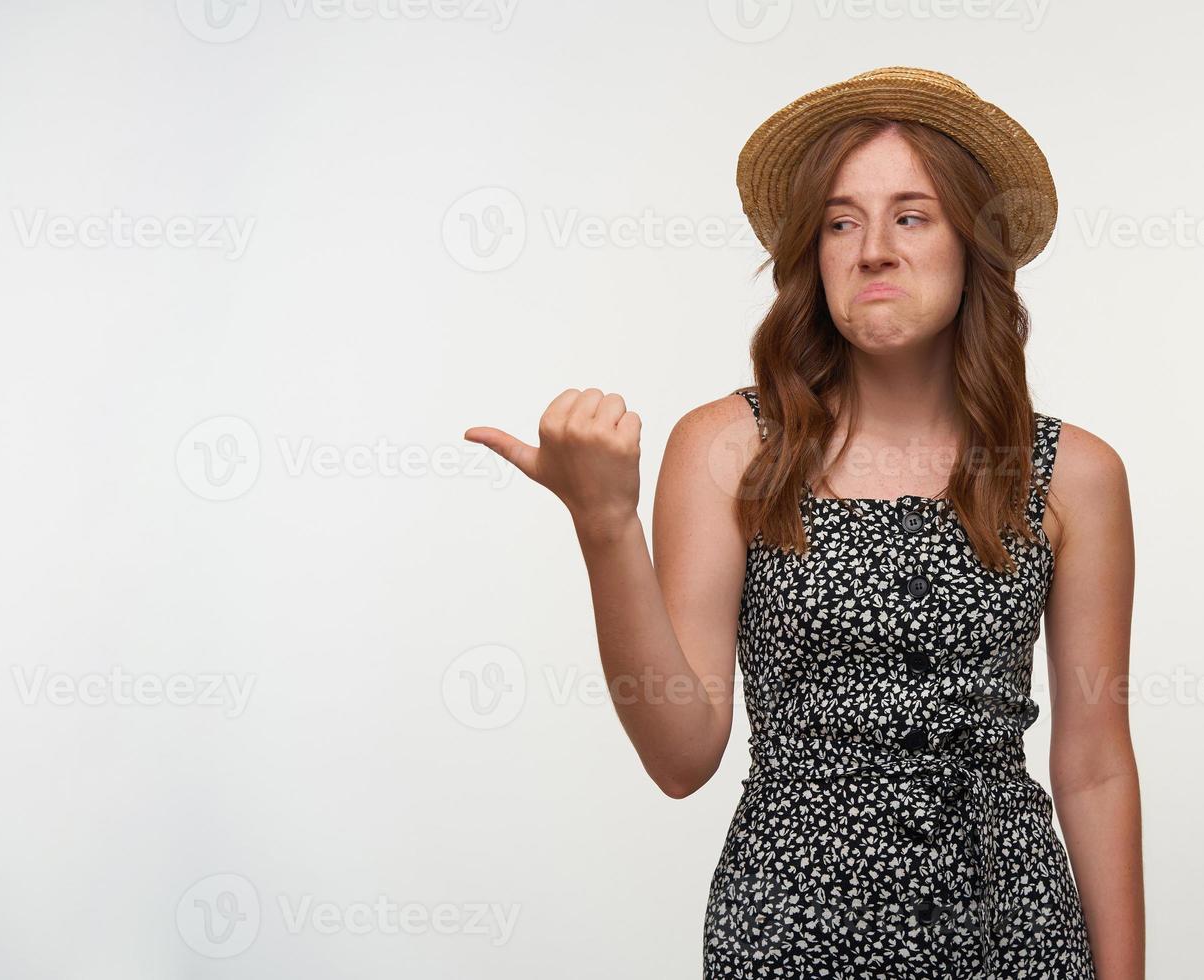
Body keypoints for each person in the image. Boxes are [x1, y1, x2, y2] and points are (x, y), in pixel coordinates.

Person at [464, 66, 1143, 978]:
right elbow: (681, 755)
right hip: (791, 936)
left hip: (1010, 938)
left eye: (912, 214)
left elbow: (1095, 765)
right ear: (814, 255)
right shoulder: (727, 448)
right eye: (839, 221)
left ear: (973, 246)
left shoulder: (1076, 475)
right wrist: (605, 525)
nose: (872, 249)